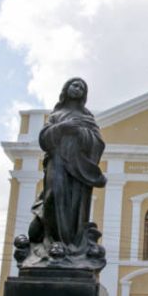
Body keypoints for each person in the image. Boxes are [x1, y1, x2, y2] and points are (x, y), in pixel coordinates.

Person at [29, 78, 107, 260]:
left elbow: (98, 143)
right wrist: (63, 127)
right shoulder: (56, 115)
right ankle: (52, 242)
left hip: (78, 168)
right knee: (52, 197)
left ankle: (69, 243)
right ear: (66, 88)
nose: (77, 88)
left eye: (81, 87)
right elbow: (44, 139)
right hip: (57, 163)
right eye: (74, 85)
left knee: (74, 206)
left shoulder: (87, 118)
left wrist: (81, 133)